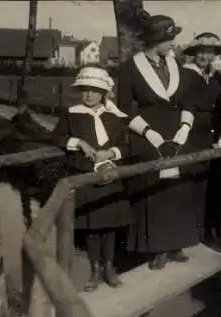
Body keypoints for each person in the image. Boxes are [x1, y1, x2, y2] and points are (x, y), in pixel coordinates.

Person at [118, 14, 209, 270]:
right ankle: (157, 248)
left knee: (178, 190)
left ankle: (177, 243)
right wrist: (150, 134)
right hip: (148, 135)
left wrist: (184, 128)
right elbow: (124, 109)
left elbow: (188, 102)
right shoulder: (130, 69)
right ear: (156, 40)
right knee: (154, 191)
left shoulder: (176, 66)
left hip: (178, 135)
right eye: (169, 39)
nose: (173, 44)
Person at [51, 66, 132, 291]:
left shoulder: (115, 117)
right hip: (84, 176)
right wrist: (78, 143)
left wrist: (111, 153)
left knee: (110, 225)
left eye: (95, 91)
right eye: (86, 90)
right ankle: (94, 269)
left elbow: (126, 146)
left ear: (104, 93)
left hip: (110, 175)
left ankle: (109, 267)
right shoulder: (72, 114)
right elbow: (56, 137)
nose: (90, 95)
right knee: (92, 226)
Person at [181, 32, 221, 242]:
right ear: (193, 53)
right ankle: (189, 232)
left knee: (213, 182)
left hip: (214, 138)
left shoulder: (217, 77)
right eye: (201, 52)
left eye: (210, 53)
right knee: (191, 185)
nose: (205, 57)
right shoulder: (184, 74)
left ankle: (209, 229)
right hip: (191, 137)